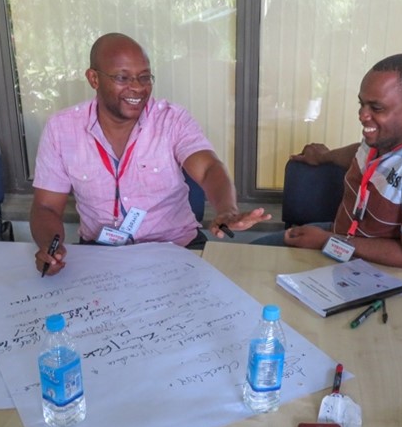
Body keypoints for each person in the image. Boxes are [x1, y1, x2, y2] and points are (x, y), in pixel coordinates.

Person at [31, 33, 270, 276]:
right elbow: (46, 206)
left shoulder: (172, 119)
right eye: (122, 78)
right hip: (101, 254)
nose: (137, 87)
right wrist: (52, 249)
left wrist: (227, 209)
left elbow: (209, 168)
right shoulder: (62, 128)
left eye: (144, 77)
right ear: (94, 78)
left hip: (177, 249)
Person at [252, 54, 402, 269]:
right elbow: (360, 153)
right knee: (249, 256)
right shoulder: (383, 139)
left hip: (378, 269)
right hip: (340, 237)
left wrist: (326, 242)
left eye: (376, 108)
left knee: (264, 276)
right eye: (362, 104)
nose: (362, 115)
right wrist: (324, 156)